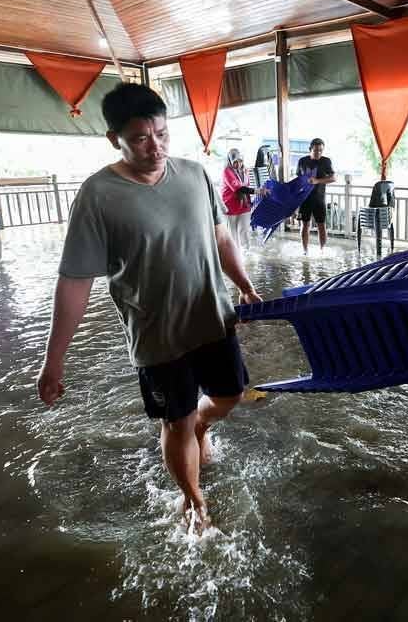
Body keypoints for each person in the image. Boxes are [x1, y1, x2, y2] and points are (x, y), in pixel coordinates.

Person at [36, 83, 262, 528]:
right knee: (176, 421)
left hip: (213, 319)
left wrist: (246, 286)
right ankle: (194, 501)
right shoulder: (98, 196)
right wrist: (53, 360)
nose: (154, 146)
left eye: (161, 134)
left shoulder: (194, 175)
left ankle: (203, 425)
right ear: (114, 139)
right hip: (157, 334)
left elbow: (220, 237)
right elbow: (76, 281)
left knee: (229, 395)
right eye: (140, 138)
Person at [296, 138, 336, 253]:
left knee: (321, 226)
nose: (318, 153)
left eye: (320, 150)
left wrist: (317, 181)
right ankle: (305, 250)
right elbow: (298, 179)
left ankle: (322, 250)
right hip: (304, 199)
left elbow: (333, 178)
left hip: (319, 199)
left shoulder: (326, 161)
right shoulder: (302, 161)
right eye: (315, 150)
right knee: (305, 225)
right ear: (310, 149)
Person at [221, 148, 255, 250]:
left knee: (244, 232)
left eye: (240, 161)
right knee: (233, 235)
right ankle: (236, 257)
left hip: (244, 206)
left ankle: (247, 258)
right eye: (235, 162)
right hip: (230, 207)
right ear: (230, 162)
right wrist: (258, 191)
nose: (238, 164)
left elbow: (247, 186)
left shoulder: (245, 171)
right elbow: (239, 188)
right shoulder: (227, 171)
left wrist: (250, 201)